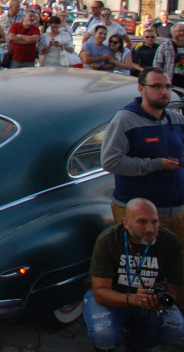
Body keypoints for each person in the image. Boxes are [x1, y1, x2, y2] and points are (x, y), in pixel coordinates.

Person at [83, 197, 184, 351]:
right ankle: (105, 346)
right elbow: (100, 292)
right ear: (126, 223)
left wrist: (160, 302)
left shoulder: (170, 242)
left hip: (147, 300)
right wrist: (134, 299)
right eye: (142, 222)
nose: (150, 229)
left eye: (154, 222)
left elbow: (173, 291)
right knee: (104, 334)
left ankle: (139, 344)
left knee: (174, 329)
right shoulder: (108, 240)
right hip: (112, 297)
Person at [101, 67, 184, 246]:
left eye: (168, 86)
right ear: (141, 89)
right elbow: (110, 161)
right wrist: (156, 164)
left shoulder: (176, 119)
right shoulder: (125, 120)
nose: (164, 91)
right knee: (147, 260)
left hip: (177, 212)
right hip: (142, 217)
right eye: (156, 86)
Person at [154, 23, 184, 88]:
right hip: (170, 84)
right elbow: (157, 66)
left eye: (183, 31)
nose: (182, 33)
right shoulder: (164, 47)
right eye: (179, 31)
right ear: (173, 33)